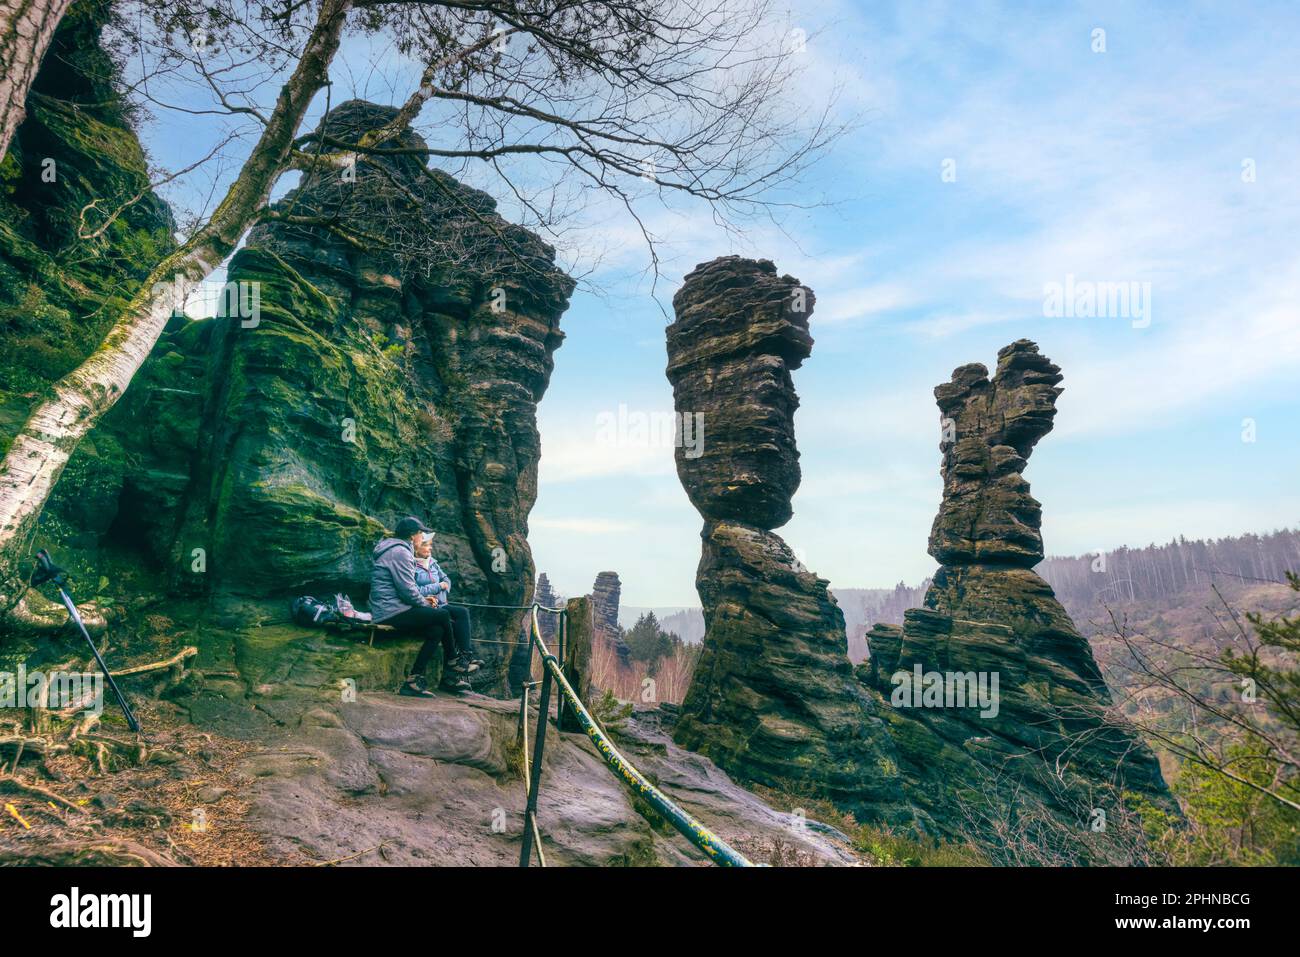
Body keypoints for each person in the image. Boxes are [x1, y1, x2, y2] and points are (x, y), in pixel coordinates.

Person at [370, 516, 478, 697]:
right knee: (442, 615)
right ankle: (453, 660)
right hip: (390, 611)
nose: (422, 537)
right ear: (413, 536)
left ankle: (413, 681)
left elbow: (407, 590)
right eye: (421, 533)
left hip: (394, 607)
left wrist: (424, 601)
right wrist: (425, 603)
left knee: (436, 630)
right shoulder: (400, 552)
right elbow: (407, 591)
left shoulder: (396, 549)